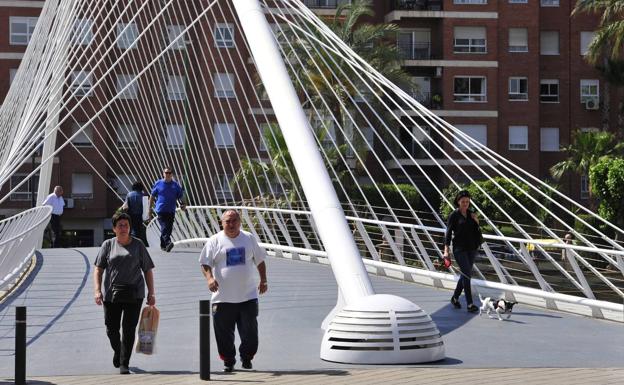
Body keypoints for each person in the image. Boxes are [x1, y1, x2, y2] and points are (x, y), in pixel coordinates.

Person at [199, 209, 268, 372]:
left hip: (248, 295)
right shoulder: (214, 241)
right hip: (222, 297)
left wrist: (263, 279)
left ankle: (247, 357)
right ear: (221, 223)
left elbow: (260, 260)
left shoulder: (248, 238)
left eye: (234, 220)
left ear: (240, 221)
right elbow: (205, 263)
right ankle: (228, 360)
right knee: (223, 334)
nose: (231, 224)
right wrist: (209, 278)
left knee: (250, 332)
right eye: (227, 221)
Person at [94, 212, 156, 375]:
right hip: (110, 294)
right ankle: (119, 350)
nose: (123, 228)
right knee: (111, 329)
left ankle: (124, 363)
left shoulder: (138, 245)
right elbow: (98, 269)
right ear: (114, 228)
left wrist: (151, 292)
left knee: (129, 329)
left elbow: (147, 269)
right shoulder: (108, 245)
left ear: (130, 228)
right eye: (120, 225)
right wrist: (97, 290)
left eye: (126, 225)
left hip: (134, 294)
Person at [443, 190, 483, 313]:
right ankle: (470, 303)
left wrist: (476, 221)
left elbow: (476, 230)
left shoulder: (472, 214)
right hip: (459, 249)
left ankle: (455, 298)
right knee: (467, 274)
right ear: (458, 202)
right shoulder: (453, 215)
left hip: (472, 248)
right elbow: (448, 233)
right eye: (463, 201)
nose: (465, 203)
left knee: (465, 274)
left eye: (467, 201)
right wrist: (446, 250)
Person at [149, 167, 185, 252]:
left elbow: (181, 196)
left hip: (171, 210)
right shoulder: (158, 183)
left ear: (172, 174)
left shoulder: (175, 185)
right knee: (164, 227)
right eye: (166, 173)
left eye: (169, 173)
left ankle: (163, 245)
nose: (168, 174)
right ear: (163, 174)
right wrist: (149, 209)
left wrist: (184, 204)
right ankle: (168, 243)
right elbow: (152, 196)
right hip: (160, 209)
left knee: (168, 228)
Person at [122, 181, 148, 246]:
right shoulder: (144, 195)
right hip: (140, 215)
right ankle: (138, 242)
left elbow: (126, 205)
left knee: (133, 228)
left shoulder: (129, 194)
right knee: (139, 229)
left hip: (131, 214)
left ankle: (134, 242)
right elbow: (146, 206)